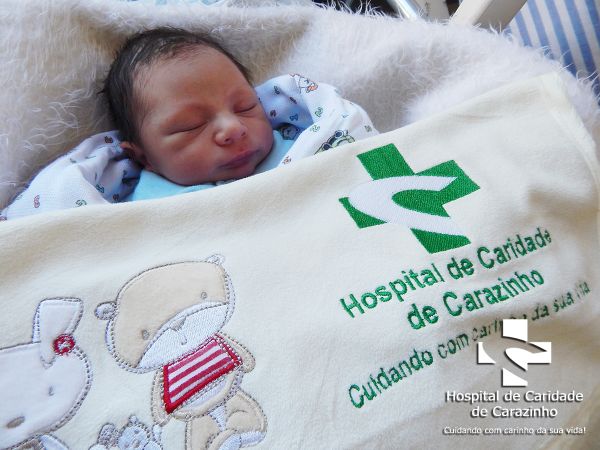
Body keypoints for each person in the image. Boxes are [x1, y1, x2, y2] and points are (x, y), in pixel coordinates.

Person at [1, 27, 377, 219]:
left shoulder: (309, 145)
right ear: (144, 158)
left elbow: (366, 167)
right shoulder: (132, 209)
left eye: (245, 106)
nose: (233, 128)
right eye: (190, 126)